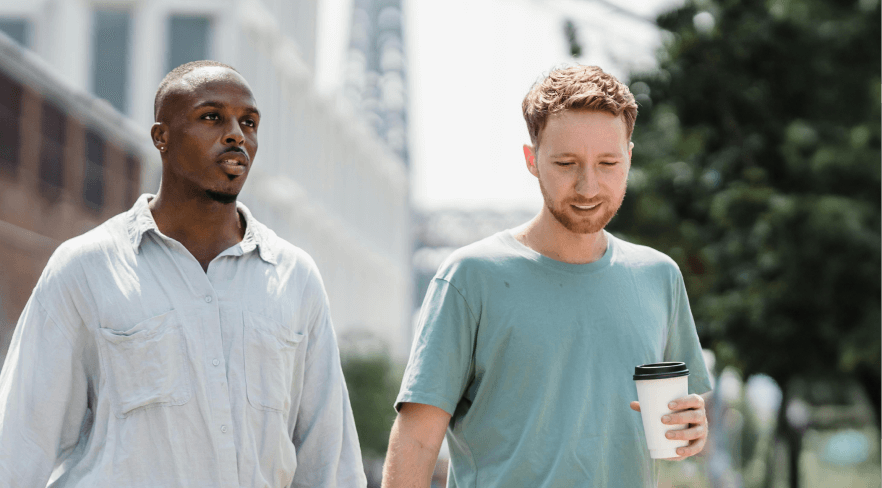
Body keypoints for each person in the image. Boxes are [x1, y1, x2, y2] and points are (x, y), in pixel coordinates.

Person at [0, 60, 366, 487]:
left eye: (248, 123)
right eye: (212, 117)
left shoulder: (295, 276)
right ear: (162, 137)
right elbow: (20, 441)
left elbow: (330, 460)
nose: (237, 135)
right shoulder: (86, 267)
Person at [382, 65, 713, 488]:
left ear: (630, 156)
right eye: (566, 163)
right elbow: (417, 440)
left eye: (608, 163)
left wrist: (692, 426)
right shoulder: (470, 278)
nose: (588, 186)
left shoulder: (659, 277)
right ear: (531, 160)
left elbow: (688, 411)